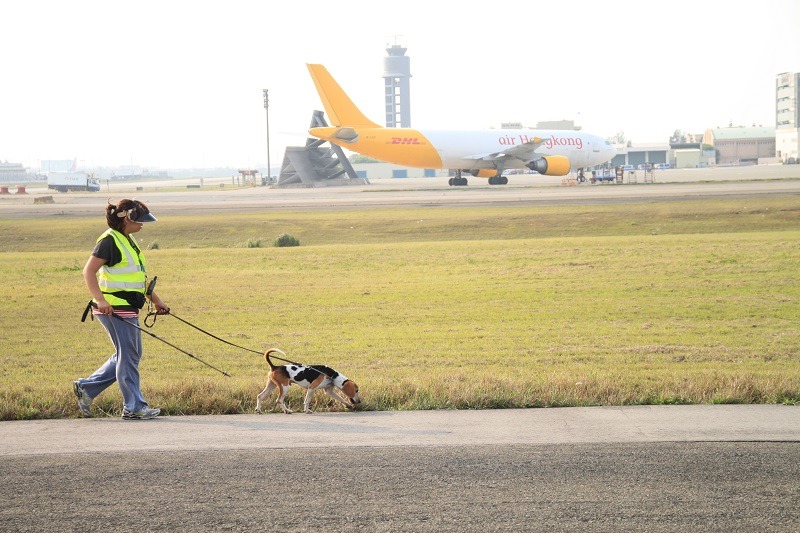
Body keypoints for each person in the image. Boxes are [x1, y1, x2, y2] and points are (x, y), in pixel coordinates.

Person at [73, 199, 169, 420]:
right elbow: (88, 272)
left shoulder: (128, 240)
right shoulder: (109, 241)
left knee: (129, 355)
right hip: (113, 307)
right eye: (140, 220)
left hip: (127, 306)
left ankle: (86, 388)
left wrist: (156, 300)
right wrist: (100, 300)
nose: (143, 224)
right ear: (127, 219)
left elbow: (136, 278)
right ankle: (133, 407)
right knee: (129, 356)